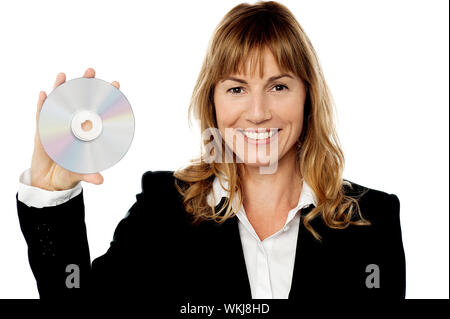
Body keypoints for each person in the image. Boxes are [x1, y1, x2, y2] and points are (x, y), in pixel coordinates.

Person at [16, 1, 405, 305]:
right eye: (236, 89)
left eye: (278, 86)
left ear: (307, 98)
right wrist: (52, 199)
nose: (257, 113)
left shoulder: (373, 220)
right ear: (213, 104)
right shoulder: (163, 209)